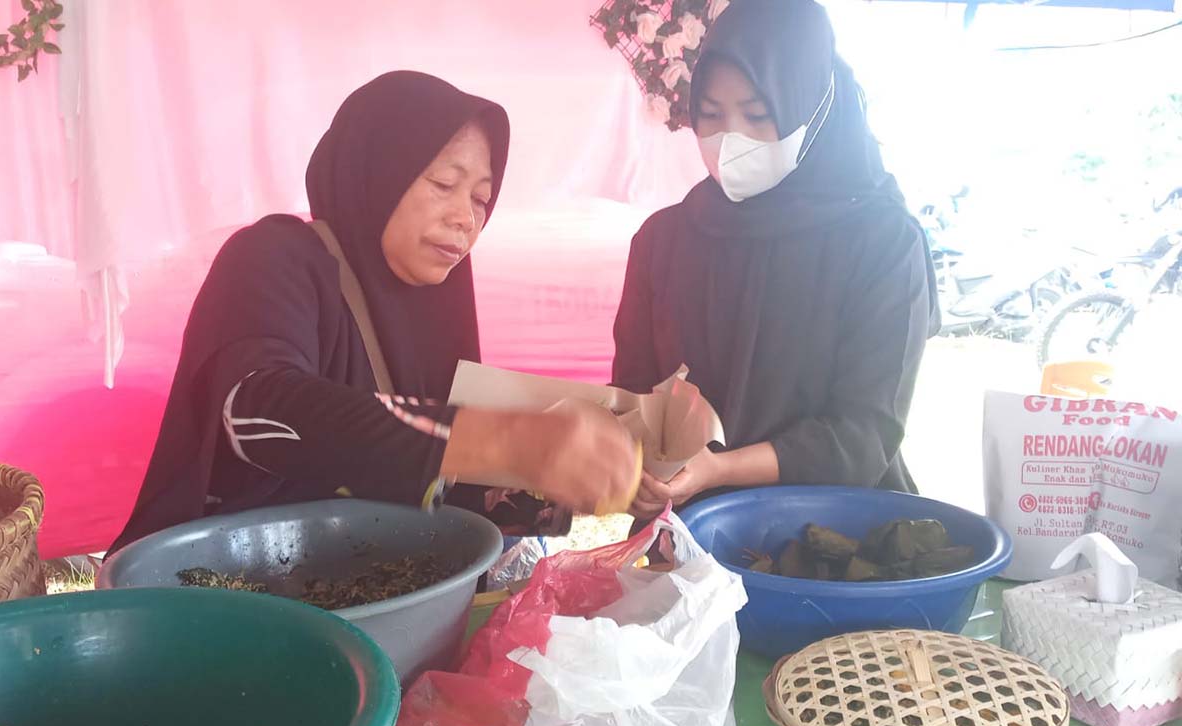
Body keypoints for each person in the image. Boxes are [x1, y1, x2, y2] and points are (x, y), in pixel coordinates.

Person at [110, 72, 638, 554]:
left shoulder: (437, 306)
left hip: (373, 601)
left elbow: (440, 481)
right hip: (221, 602)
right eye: (442, 184)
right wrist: (512, 438)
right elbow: (258, 412)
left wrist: (602, 478)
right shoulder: (274, 257)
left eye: (481, 198)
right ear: (376, 169)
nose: (465, 219)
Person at [613, 0, 939, 520]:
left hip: (834, 540)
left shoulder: (882, 244)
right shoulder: (662, 241)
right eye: (711, 115)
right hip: (692, 542)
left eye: (759, 115)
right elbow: (632, 394)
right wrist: (635, 469)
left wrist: (721, 469)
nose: (729, 140)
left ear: (812, 107)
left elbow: (863, 435)